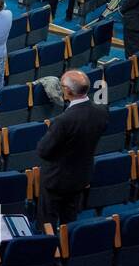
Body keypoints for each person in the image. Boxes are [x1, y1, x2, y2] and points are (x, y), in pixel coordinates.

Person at [35, 69, 109, 226]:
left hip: (56, 178)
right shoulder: (102, 111)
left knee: (47, 223)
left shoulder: (64, 120)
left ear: (68, 90)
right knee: (69, 221)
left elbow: (43, 151)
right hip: (81, 176)